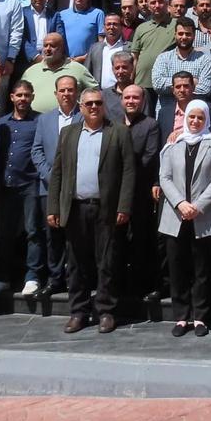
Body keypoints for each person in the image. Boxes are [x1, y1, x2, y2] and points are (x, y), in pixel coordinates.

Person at [46, 86, 135, 334]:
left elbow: (129, 171)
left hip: (106, 208)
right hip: (75, 208)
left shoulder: (118, 132)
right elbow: (58, 172)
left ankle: (106, 311)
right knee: (76, 263)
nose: (94, 107)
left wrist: (124, 205)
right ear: (81, 107)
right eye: (89, 104)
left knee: (106, 262)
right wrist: (53, 207)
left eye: (98, 103)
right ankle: (79, 312)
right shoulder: (68, 133)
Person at [158, 99, 211, 337]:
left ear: (206, 119)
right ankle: (181, 317)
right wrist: (180, 203)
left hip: (203, 215)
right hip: (175, 215)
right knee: (177, 268)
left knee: (201, 269)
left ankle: (200, 317)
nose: (195, 121)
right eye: (191, 117)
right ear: (185, 118)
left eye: (200, 117)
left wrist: (198, 205)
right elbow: (164, 177)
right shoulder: (173, 143)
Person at [29, 75, 79, 296]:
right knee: (52, 236)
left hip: (76, 187)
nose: (66, 94)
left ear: (76, 92)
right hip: (49, 187)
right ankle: (55, 278)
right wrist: (52, 177)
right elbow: (36, 150)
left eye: (70, 90)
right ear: (56, 93)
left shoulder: (84, 116)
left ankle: (75, 279)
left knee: (75, 236)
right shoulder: (44, 119)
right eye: (62, 90)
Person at [0, 80, 43, 296]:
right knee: (5, 232)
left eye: (27, 95)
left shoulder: (40, 121)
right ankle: (2, 277)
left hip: (31, 184)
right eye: (19, 95)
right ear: (12, 97)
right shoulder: (1, 124)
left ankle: (32, 276)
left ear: (32, 97)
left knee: (33, 231)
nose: (23, 99)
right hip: (7, 185)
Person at [119, 83, 163, 308]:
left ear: (143, 101)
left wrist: (124, 173)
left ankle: (141, 285)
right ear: (121, 100)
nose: (131, 101)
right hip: (115, 192)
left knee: (140, 239)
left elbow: (149, 156)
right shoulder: (113, 124)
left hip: (139, 191)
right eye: (127, 97)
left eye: (135, 98)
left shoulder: (150, 125)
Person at [21, 32, 97, 114]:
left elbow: (95, 92)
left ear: (61, 48)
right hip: (34, 120)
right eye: (45, 46)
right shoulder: (30, 72)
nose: (48, 49)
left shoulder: (78, 69)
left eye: (52, 46)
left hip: (70, 119)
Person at [150, 17, 211, 99]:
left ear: (194, 36)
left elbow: (205, 90)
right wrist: (191, 82)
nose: (184, 37)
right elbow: (157, 84)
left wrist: (172, 86)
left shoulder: (204, 60)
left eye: (188, 34)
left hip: (193, 106)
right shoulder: (163, 58)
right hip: (168, 106)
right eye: (180, 34)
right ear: (175, 35)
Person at [129, 0, 177, 93]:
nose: (157, 5)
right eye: (153, 3)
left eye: (160, 2)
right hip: (142, 82)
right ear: (148, 6)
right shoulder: (141, 28)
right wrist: (131, 80)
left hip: (167, 82)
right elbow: (135, 57)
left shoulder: (177, 25)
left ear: (167, 4)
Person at [20, 0, 62, 66]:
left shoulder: (55, 15)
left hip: (50, 61)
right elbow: (21, 37)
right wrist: (35, 56)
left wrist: (49, 56)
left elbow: (59, 37)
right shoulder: (21, 14)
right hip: (27, 61)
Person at [156, 72, 197, 144]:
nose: (182, 90)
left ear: (193, 88)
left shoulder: (207, 110)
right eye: (178, 87)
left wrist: (184, 133)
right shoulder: (164, 113)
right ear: (173, 90)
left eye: (186, 86)